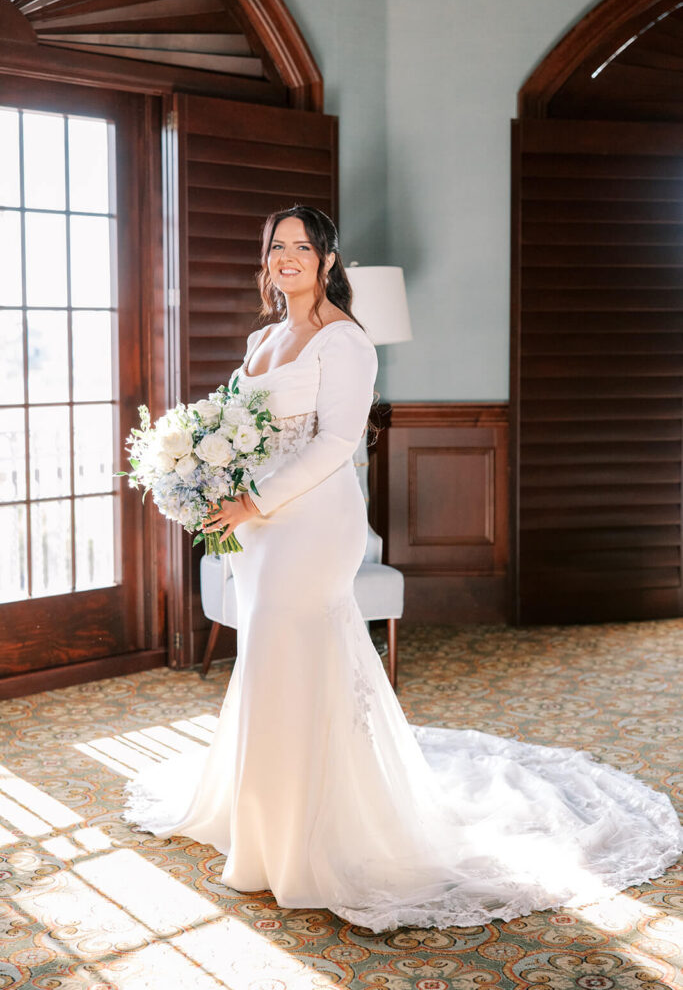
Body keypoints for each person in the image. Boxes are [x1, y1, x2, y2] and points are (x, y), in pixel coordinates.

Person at [123, 205, 683, 933]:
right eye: (276, 247)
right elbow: (240, 429)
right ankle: (262, 811)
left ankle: (312, 832)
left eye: (301, 247)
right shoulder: (261, 338)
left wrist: (253, 500)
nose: (286, 258)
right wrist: (206, 474)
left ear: (327, 260)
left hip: (311, 523)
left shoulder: (345, 341)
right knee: (268, 652)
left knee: (294, 642)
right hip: (255, 528)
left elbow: (334, 445)